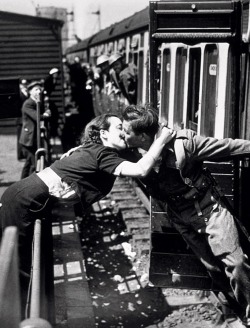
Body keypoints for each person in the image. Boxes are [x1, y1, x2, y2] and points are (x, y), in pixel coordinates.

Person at [121, 104, 250, 326]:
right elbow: (95, 153)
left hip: (210, 209)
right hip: (180, 217)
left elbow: (229, 147)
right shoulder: (128, 152)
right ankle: (232, 312)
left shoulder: (183, 144)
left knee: (235, 263)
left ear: (142, 136)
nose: (122, 135)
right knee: (212, 269)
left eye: (126, 131)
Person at [0, 113, 174, 276]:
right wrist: (161, 140)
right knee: (17, 265)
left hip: (25, 195)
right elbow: (141, 169)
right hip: (25, 201)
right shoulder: (102, 154)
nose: (125, 132)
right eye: (120, 128)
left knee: (24, 262)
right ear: (104, 133)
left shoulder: (95, 149)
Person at [19, 80, 51, 179]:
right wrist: (45, 115)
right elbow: (36, 116)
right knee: (33, 164)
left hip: (33, 138)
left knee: (29, 162)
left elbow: (44, 109)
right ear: (30, 92)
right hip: (28, 138)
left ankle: (22, 182)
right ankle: (29, 185)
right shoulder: (28, 103)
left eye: (40, 89)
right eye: (36, 89)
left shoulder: (37, 102)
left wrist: (47, 110)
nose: (39, 91)